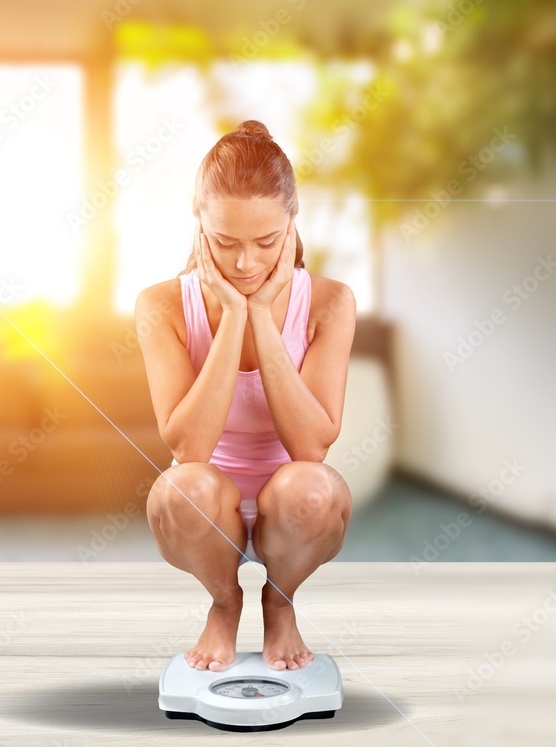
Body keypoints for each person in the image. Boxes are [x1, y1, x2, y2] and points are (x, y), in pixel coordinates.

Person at [135, 119, 355, 673]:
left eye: (267, 242)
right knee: (177, 489)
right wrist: (234, 315)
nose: (246, 264)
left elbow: (311, 447)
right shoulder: (160, 306)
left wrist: (264, 318)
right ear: (198, 222)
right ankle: (224, 601)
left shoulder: (331, 302)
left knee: (316, 488)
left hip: (293, 505)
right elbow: (189, 450)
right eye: (226, 243)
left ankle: (279, 603)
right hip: (208, 507)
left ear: (292, 221)